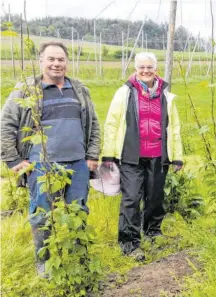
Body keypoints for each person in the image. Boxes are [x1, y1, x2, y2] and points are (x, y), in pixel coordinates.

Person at [0, 41, 101, 274]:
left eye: (61, 59)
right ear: (41, 61)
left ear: (67, 62)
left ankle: (78, 258)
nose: (57, 64)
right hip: (41, 165)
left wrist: (92, 155)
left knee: (78, 211)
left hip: (78, 164)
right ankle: (44, 261)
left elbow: (94, 123)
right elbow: (6, 125)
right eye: (51, 59)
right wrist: (13, 160)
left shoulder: (79, 89)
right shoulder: (26, 90)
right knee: (42, 215)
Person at [102, 52, 183, 261]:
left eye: (150, 67)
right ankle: (129, 243)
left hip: (158, 154)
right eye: (141, 68)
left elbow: (174, 127)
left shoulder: (166, 94)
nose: (146, 71)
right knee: (131, 198)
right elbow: (111, 123)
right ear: (135, 69)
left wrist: (177, 156)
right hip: (131, 155)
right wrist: (108, 155)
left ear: (156, 69)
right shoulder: (124, 93)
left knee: (155, 197)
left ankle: (152, 232)